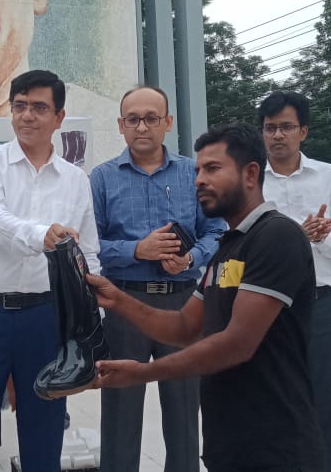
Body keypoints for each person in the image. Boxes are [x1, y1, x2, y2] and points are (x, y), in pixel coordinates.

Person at [87, 123, 324, 472]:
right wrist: (117, 300)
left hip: (277, 445)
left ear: (250, 174)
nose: (199, 180)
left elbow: (236, 344)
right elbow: (185, 326)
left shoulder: (276, 236)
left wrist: (143, 373)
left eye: (212, 169)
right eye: (198, 170)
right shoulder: (228, 248)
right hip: (229, 444)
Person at [0, 70, 100, 471]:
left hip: (45, 319)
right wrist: (41, 235)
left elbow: (88, 253)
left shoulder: (76, 180)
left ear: (59, 117)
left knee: (45, 429)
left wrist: (91, 321)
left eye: (39, 107)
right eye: (20, 106)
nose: (27, 115)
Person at [89, 85, 225, 472]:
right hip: (124, 304)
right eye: (133, 119)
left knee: (184, 411)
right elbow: (88, 244)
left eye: (151, 118)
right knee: (120, 410)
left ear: (168, 122)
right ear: (120, 125)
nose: (142, 127)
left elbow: (217, 231)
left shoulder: (194, 174)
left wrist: (191, 257)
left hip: (183, 302)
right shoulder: (101, 178)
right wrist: (138, 250)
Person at [257, 91, 331, 472]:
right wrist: (296, 237)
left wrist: (320, 239)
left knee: (325, 406)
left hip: (321, 306)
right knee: (269, 404)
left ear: (304, 131)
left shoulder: (329, 176)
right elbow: (239, 245)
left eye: (286, 127)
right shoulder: (250, 178)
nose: (277, 135)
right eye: (270, 128)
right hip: (266, 306)